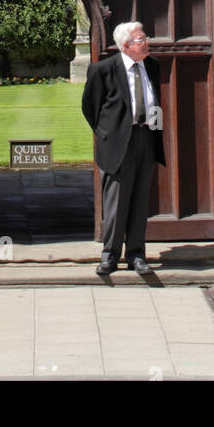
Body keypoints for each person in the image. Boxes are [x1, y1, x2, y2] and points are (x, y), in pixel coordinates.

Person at [81, 21, 165, 276]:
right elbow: (90, 106)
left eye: (145, 38)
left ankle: (136, 255)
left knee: (140, 200)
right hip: (119, 142)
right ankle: (110, 255)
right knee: (116, 201)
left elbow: (154, 100)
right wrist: (108, 133)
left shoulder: (151, 66)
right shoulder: (103, 70)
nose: (147, 42)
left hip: (145, 139)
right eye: (142, 39)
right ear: (126, 46)